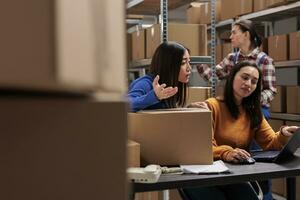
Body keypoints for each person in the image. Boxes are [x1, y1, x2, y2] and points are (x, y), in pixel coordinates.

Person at [185, 61, 299, 200]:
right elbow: (204, 148)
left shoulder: (253, 111)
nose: (249, 84)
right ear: (232, 77)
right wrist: (226, 153)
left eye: (254, 81)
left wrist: (284, 134)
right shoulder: (212, 106)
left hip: (238, 175)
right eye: (245, 78)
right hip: (212, 176)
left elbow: (270, 143)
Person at [197, 19, 276, 199]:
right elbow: (213, 77)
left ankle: (264, 193)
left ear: (246, 34)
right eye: (244, 78)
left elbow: (271, 90)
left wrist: (251, 100)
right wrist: (198, 61)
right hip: (232, 108)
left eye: (234, 32)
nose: (231, 36)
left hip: (257, 110)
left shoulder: (264, 60)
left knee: (260, 161)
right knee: (238, 160)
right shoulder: (232, 59)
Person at [127, 41, 191, 112]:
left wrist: (189, 108)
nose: (189, 68)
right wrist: (154, 96)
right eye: (183, 63)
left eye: (189, 62)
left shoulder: (173, 85)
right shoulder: (146, 83)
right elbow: (126, 105)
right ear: (168, 65)